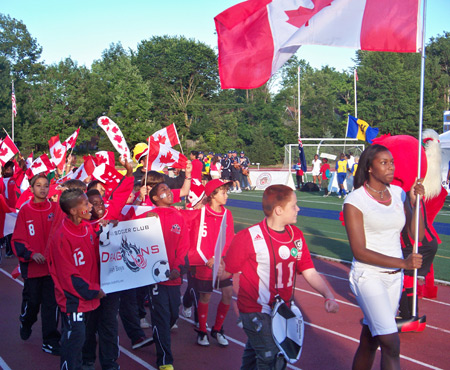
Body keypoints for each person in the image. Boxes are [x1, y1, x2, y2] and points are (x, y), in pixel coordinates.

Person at [224, 184, 339, 369]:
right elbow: (227, 269)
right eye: (294, 205)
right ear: (278, 210)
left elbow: (308, 269)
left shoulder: (296, 235)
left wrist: (328, 295)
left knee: (256, 354)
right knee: (274, 356)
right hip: (255, 309)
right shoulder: (248, 237)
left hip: (282, 310)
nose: (298, 209)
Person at [343, 144, 424, 370]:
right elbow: (359, 251)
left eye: (392, 162)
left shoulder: (398, 193)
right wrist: (404, 263)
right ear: (369, 167)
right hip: (368, 277)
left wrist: (417, 203)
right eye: (384, 163)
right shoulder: (355, 201)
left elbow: (416, 233)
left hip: (393, 280)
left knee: (371, 340)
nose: (391, 167)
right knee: (391, 344)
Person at [48, 188, 106, 370]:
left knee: (87, 338)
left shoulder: (88, 228)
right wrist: (92, 291)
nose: (91, 207)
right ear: (73, 211)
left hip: (91, 299)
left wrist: (109, 233)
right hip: (74, 300)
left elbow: (97, 253)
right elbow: (68, 276)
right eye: (86, 204)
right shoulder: (61, 237)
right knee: (74, 340)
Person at [11, 174, 61, 355]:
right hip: (32, 268)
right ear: (31, 188)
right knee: (32, 303)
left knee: (51, 304)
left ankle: (50, 340)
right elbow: (18, 239)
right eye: (38, 185)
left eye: (46, 185)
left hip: (52, 268)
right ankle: (26, 321)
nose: (43, 189)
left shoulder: (56, 209)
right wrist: (31, 254)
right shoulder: (25, 210)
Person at [183, 179, 235, 346]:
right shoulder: (200, 212)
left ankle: (217, 329)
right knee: (205, 296)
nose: (226, 195)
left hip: (221, 263)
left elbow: (229, 239)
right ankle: (202, 330)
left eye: (226, 192)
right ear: (212, 195)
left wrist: (219, 258)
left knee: (227, 294)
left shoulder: (227, 214)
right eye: (223, 192)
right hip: (204, 264)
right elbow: (189, 231)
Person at [148, 182, 190, 370]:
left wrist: (177, 267)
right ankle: (164, 359)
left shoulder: (179, 216)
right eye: (163, 190)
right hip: (154, 278)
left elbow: (184, 245)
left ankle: (159, 333)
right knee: (162, 317)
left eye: (168, 189)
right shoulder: (146, 216)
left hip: (174, 276)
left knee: (173, 313)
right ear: (155, 198)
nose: (169, 192)